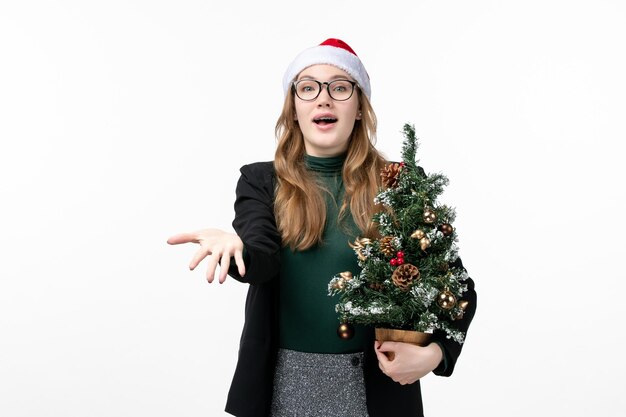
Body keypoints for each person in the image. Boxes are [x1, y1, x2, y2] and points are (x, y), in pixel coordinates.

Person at [167, 38, 477, 417]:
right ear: (294, 108)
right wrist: (234, 248)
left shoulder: (399, 184)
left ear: (360, 107)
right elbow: (261, 259)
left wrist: (435, 353)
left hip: (377, 391)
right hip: (284, 387)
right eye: (308, 87)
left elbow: (456, 288)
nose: (323, 99)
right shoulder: (261, 181)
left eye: (340, 87)